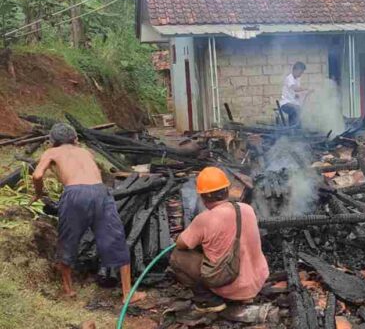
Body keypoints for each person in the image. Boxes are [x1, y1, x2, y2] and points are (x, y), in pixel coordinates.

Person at [29, 123, 146, 303]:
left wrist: (38, 193)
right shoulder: (86, 151)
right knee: (116, 239)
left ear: (51, 141)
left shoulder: (51, 152)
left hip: (74, 193)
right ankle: (127, 294)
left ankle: (68, 290)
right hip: (100, 192)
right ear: (75, 139)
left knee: (67, 240)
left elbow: (37, 176)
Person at [169, 167, 268, 313]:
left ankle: (208, 301)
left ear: (203, 196)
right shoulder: (247, 209)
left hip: (231, 286)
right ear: (227, 190)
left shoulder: (204, 219)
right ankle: (246, 296)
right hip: (257, 281)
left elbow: (181, 244)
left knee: (177, 257)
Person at [279, 61, 313, 126]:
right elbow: (295, 89)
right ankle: (293, 129)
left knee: (299, 110)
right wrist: (306, 89)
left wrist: (306, 93)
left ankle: (294, 130)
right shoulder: (289, 78)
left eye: (302, 73)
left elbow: (296, 94)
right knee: (296, 110)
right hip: (285, 103)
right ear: (295, 70)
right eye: (300, 72)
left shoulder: (297, 79)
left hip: (293, 103)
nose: (301, 74)